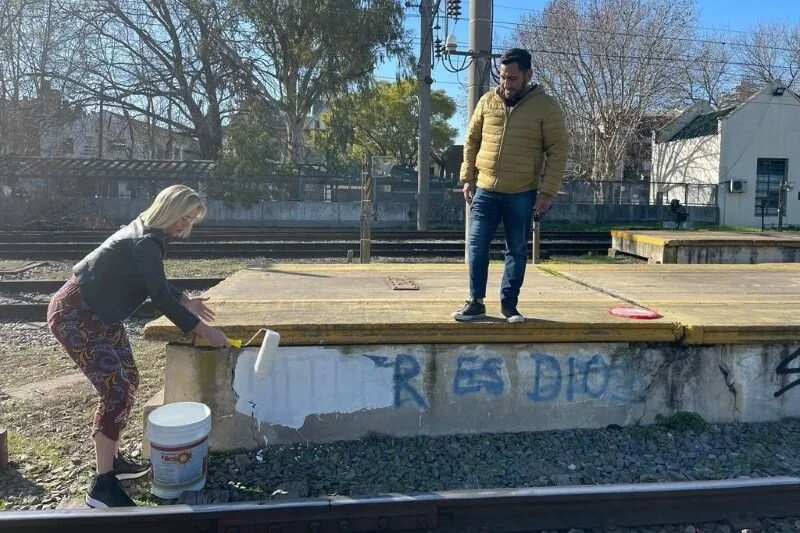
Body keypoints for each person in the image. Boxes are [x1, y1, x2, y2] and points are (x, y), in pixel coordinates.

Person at [46, 184, 229, 508]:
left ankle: (112, 462)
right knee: (115, 388)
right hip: (77, 314)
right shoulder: (146, 239)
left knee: (128, 378)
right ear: (169, 210)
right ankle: (101, 487)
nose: (184, 227)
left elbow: (152, 280)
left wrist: (186, 299)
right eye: (183, 218)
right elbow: (158, 296)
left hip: (99, 313)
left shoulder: (147, 233)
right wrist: (203, 330)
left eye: (190, 221)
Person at [452, 48, 568, 323]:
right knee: (477, 245)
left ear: (528, 75)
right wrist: (467, 178)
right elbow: (471, 141)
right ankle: (475, 302)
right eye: (502, 77)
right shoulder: (486, 102)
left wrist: (547, 191)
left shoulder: (546, 107)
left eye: (513, 78)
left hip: (522, 192)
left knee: (516, 249)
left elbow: (558, 149)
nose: (506, 84)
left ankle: (509, 306)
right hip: (485, 189)